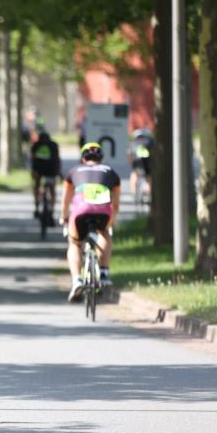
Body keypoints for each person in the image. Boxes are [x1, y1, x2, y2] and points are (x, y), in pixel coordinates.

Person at [61, 142, 121, 303]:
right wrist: (112, 219)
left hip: (80, 211)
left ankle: (77, 280)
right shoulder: (110, 172)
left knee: (74, 243)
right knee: (105, 234)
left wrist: (64, 217)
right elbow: (115, 204)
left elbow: (66, 201)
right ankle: (104, 273)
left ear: (83, 158)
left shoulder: (74, 171)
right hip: (103, 211)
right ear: (101, 158)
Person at [30, 131, 61, 221]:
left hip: (38, 170)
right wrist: (58, 172)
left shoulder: (36, 145)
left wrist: (33, 171)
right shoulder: (53, 145)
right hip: (51, 170)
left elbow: (32, 159)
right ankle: (51, 209)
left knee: (36, 185)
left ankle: (36, 205)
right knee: (52, 189)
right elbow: (58, 159)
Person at [129, 128, 154, 200]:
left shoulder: (133, 142)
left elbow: (130, 155)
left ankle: (133, 192)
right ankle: (149, 193)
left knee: (134, 174)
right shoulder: (150, 141)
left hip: (137, 162)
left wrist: (132, 165)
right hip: (147, 162)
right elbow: (154, 153)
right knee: (149, 177)